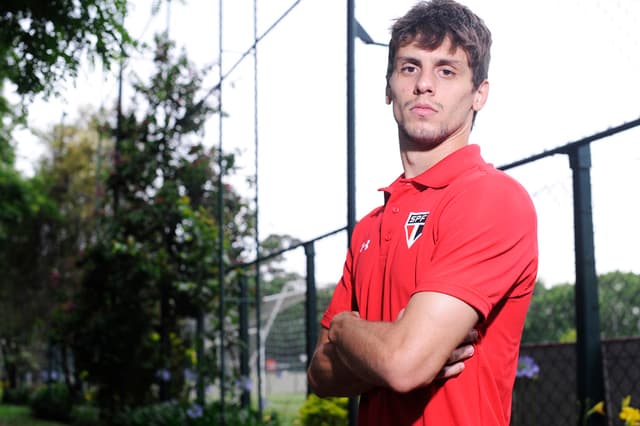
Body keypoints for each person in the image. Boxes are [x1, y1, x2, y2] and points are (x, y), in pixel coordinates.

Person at [306, 0, 538, 424]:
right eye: (409, 67)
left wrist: (344, 329)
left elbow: (403, 363)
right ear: (389, 85)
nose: (424, 84)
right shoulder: (370, 228)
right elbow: (320, 374)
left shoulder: (492, 199)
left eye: (446, 70)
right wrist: (386, 346)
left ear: (479, 93)